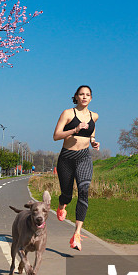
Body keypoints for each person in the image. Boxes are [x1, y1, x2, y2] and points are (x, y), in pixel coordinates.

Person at [53, 85, 100, 250]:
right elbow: (56, 136)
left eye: (87, 95)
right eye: (81, 94)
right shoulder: (67, 113)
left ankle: (77, 234)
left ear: (91, 98)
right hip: (67, 158)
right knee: (67, 195)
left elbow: (91, 133)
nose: (84, 97)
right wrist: (74, 129)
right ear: (76, 97)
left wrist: (93, 142)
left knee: (84, 190)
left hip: (84, 157)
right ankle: (62, 204)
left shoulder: (94, 116)